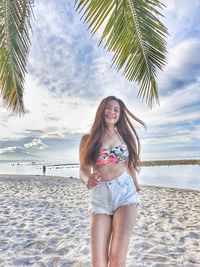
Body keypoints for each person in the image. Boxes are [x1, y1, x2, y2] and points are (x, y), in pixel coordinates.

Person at [79, 96, 146, 267]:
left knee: (117, 259)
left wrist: (136, 185)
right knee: (98, 263)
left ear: (120, 114)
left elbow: (129, 164)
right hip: (100, 196)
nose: (112, 112)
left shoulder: (124, 137)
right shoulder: (87, 139)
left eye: (116, 110)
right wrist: (88, 180)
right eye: (109, 108)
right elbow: (83, 170)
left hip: (125, 192)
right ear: (101, 110)